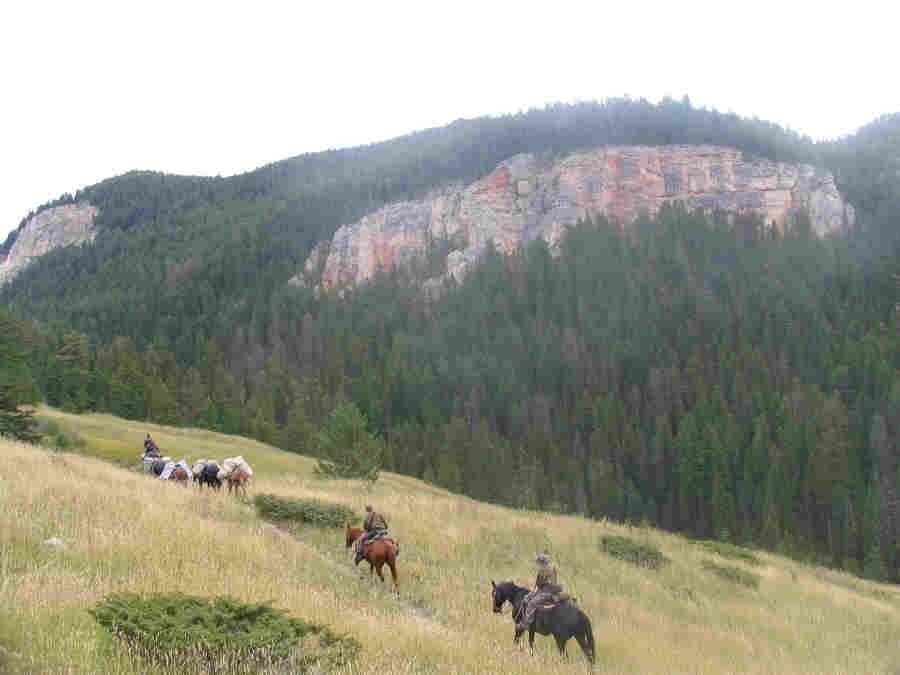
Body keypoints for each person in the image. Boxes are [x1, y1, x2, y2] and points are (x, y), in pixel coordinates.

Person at [515, 552, 563, 633]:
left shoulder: (544, 571)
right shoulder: (551, 568)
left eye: (539, 563)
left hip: (546, 593)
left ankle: (526, 624)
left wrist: (530, 595)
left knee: (531, 604)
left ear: (542, 562)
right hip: (548, 591)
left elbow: (539, 587)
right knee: (528, 598)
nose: (538, 565)